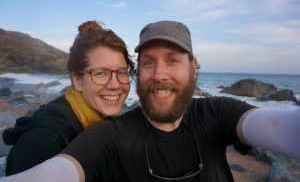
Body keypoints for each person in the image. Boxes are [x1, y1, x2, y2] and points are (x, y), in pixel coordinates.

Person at [1, 20, 299, 182]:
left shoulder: (217, 111)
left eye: (172, 60)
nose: (159, 74)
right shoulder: (104, 134)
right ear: (76, 80)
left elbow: (275, 125)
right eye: (147, 63)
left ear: (194, 68)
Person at [2, 20, 134, 176]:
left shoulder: (98, 122)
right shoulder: (43, 142)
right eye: (101, 73)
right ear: (77, 80)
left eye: (122, 72)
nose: (115, 85)